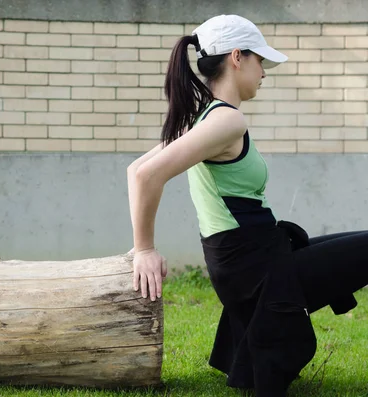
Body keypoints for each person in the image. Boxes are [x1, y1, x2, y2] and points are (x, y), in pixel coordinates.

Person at [126, 14, 368, 397]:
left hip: (254, 259)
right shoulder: (226, 121)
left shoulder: (202, 117)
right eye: (260, 61)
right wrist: (145, 250)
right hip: (258, 270)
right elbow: (144, 176)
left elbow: (136, 168)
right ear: (237, 57)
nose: (264, 73)